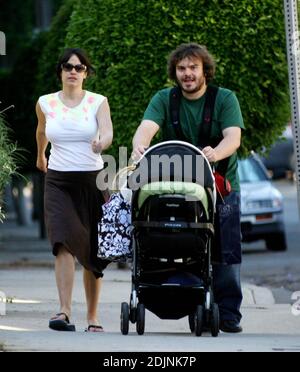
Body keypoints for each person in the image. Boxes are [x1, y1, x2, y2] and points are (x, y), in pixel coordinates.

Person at [131, 43, 244, 333]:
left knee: (225, 250)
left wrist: (216, 153)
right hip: (181, 184)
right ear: (175, 73)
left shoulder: (225, 99)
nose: (187, 74)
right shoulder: (164, 99)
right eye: (181, 69)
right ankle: (193, 297)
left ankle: (228, 312)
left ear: (205, 70)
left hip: (220, 185)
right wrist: (139, 146)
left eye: (193, 67)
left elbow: (233, 138)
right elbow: (146, 128)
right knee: (184, 240)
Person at [36, 48, 113, 332]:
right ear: (60, 71)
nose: (73, 71)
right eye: (68, 66)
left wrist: (101, 143)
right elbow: (42, 130)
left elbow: (107, 130)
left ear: (86, 73)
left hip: (92, 181)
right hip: (58, 181)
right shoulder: (45, 102)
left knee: (93, 250)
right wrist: (40, 155)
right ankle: (64, 311)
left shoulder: (97, 102)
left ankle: (93, 317)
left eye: (79, 68)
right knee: (63, 241)